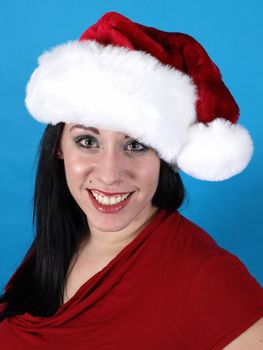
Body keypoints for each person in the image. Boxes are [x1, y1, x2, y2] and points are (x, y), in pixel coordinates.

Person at [0, 11, 262, 350]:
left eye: (136, 145)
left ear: (164, 158)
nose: (109, 173)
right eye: (88, 142)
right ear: (59, 149)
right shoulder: (57, 244)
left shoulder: (209, 278)